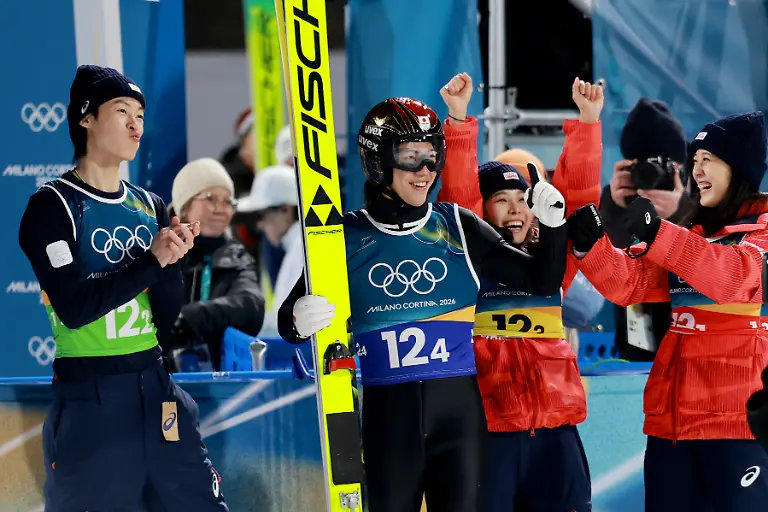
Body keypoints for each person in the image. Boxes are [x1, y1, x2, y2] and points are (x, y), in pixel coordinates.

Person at [277, 96, 569, 512]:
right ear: (378, 160)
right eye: (410, 156)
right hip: (388, 419)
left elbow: (541, 280)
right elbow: (288, 324)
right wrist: (297, 318)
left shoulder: (458, 226)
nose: (424, 171)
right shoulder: (345, 235)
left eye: (432, 156)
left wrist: (554, 226)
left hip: (460, 419)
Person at [17, 65, 228, 511]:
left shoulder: (149, 204)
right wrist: (152, 260)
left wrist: (173, 262)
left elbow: (166, 318)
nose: (136, 124)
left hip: (155, 387)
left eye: (140, 114)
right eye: (121, 111)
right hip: (93, 398)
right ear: (85, 118)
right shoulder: (52, 206)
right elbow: (75, 307)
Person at [567, 111, 768, 511]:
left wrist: (661, 230)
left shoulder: (762, 229)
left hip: (738, 427)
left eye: (708, 160)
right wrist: (592, 248)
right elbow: (631, 283)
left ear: (740, 167)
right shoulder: (691, 233)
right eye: (694, 161)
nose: (697, 171)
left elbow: (734, 276)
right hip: (672, 426)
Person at [437, 72, 603, 511]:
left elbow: (579, 196)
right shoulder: (466, 262)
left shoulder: (554, 260)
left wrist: (587, 123)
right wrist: (457, 120)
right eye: (501, 199)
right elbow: (457, 196)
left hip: (555, 434)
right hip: (492, 433)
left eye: (522, 198)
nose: (516, 208)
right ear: (482, 209)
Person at [600, 98, 694, 361]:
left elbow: (710, 260)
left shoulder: (704, 201)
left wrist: (679, 213)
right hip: (636, 348)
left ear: (682, 168)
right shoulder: (615, 201)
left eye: (660, 166)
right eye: (641, 166)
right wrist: (615, 209)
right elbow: (605, 264)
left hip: (691, 342)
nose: (649, 175)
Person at [167, 157, 265, 371]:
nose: (221, 209)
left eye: (228, 201)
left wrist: (185, 320)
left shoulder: (237, 258)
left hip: (212, 388)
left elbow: (251, 306)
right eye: (211, 198)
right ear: (184, 208)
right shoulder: (159, 251)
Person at [236, 164, 302, 335]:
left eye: (262, 214)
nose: (260, 224)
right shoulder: (297, 246)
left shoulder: (301, 251)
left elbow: (291, 325)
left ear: (286, 209)